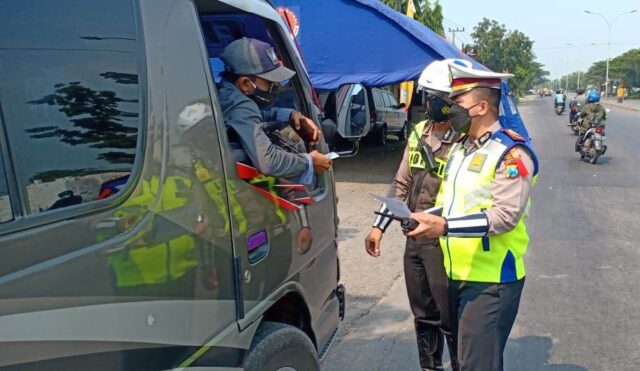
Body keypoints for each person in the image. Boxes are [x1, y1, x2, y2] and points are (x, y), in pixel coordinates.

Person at [404, 60, 539, 371]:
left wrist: (445, 226)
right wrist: (427, 217)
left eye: (457, 100)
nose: (450, 108)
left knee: (477, 365)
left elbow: (505, 216)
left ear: (480, 106)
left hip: (491, 282)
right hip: (458, 275)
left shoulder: (510, 154)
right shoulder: (463, 150)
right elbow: (455, 204)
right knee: (465, 362)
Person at [365, 60, 460, 371]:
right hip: (414, 239)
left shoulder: (463, 140)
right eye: (425, 96)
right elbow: (400, 183)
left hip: (445, 241)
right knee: (423, 312)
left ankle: (461, 364)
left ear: (449, 102)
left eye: (433, 98)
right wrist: (379, 227)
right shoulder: (419, 132)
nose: (426, 103)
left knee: (450, 315)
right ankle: (430, 367)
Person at [217, 37, 332, 183]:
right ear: (245, 83)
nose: (275, 88)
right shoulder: (240, 106)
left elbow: (256, 116)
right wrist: (308, 162)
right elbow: (267, 161)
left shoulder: (226, 94)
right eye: (270, 83)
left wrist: (290, 114)